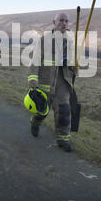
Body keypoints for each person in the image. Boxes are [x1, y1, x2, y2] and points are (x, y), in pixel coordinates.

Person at [27, 12, 77, 152]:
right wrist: (32, 79)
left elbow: (74, 63)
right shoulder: (44, 40)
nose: (64, 23)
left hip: (63, 83)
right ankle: (35, 123)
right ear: (54, 22)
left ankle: (63, 139)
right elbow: (35, 60)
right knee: (42, 110)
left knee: (64, 111)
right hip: (45, 82)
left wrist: (74, 66)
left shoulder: (72, 42)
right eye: (61, 20)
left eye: (66, 21)